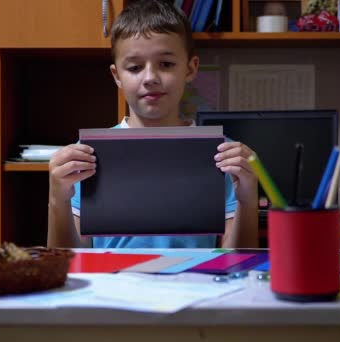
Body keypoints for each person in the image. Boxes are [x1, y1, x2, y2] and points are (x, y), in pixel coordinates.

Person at [47, 0, 258, 249]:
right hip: (113, 286)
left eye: (166, 64)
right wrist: (57, 198)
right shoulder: (86, 154)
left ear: (190, 69)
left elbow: (237, 262)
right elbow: (70, 260)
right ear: (117, 76)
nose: (150, 78)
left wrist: (248, 199)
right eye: (135, 67)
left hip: (193, 285)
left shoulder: (223, 154)